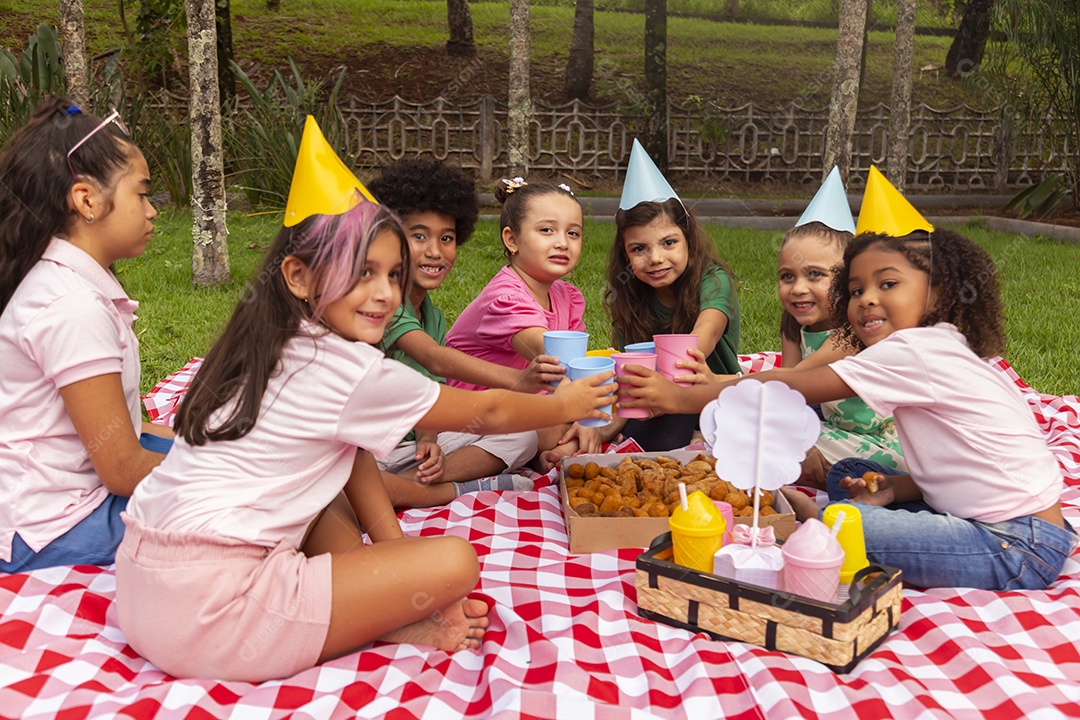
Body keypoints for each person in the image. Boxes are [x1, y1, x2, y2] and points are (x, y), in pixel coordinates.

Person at [114, 160, 614, 681]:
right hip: (216, 618)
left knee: (326, 488)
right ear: (299, 276)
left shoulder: (264, 343)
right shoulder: (345, 368)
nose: (384, 293)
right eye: (361, 272)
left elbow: (348, 457)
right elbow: (484, 410)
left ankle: (379, 612)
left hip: (144, 591)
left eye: (392, 274)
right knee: (455, 563)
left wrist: (398, 580)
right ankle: (364, 614)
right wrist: (564, 406)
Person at [618, 168, 1076, 590]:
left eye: (888, 284)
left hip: (1016, 544)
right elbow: (961, 462)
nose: (867, 300)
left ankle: (813, 517)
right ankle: (866, 507)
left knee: (838, 523)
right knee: (854, 475)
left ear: (936, 293)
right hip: (1000, 512)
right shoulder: (939, 340)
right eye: (856, 290)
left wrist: (680, 398)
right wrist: (897, 488)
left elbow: (790, 385)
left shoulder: (914, 350)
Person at [0, 98, 173, 573]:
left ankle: (399, 492)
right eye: (141, 194)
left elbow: (126, 430)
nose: (153, 210)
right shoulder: (70, 305)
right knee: (259, 506)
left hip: (66, 499)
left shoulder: (65, 283)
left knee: (230, 457)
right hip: (52, 531)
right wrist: (228, 473)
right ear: (87, 200)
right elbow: (121, 470)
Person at [368, 159, 562, 507]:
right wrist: (520, 380)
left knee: (521, 434)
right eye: (418, 236)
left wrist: (429, 437)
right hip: (367, 449)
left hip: (413, 450)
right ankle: (442, 491)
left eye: (447, 238)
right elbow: (434, 359)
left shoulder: (433, 315)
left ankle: (411, 486)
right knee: (342, 485)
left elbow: (431, 388)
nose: (434, 251)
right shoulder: (383, 303)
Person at [445, 177, 600, 468]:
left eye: (573, 233)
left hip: (531, 403)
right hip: (476, 416)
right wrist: (586, 414)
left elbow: (578, 369)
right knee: (530, 434)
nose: (562, 243)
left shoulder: (568, 295)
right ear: (512, 239)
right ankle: (423, 481)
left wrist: (589, 412)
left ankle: (558, 447)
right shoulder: (505, 297)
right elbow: (553, 357)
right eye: (546, 230)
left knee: (624, 396)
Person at [603, 139, 740, 451]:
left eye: (668, 243)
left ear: (688, 240)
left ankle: (696, 436)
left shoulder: (713, 279)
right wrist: (613, 420)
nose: (655, 258)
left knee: (669, 432)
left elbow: (706, 332)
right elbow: (632, 371)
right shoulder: (627, 297)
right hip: (658, 399)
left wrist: (668, 394)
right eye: (639, 249)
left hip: (713, 390)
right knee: (641, 435)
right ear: (625, 255)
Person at [774, 167, 905, 486]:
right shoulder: (793, 324)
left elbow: (793, 381)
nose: (798, 288)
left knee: (769, 435)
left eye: (815, 274)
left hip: (881, 440)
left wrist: (717, 385)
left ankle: (834, 479)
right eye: (787, 276)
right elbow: (790, 392)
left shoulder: (854, 333)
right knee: (767, 430)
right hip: (835, 429)